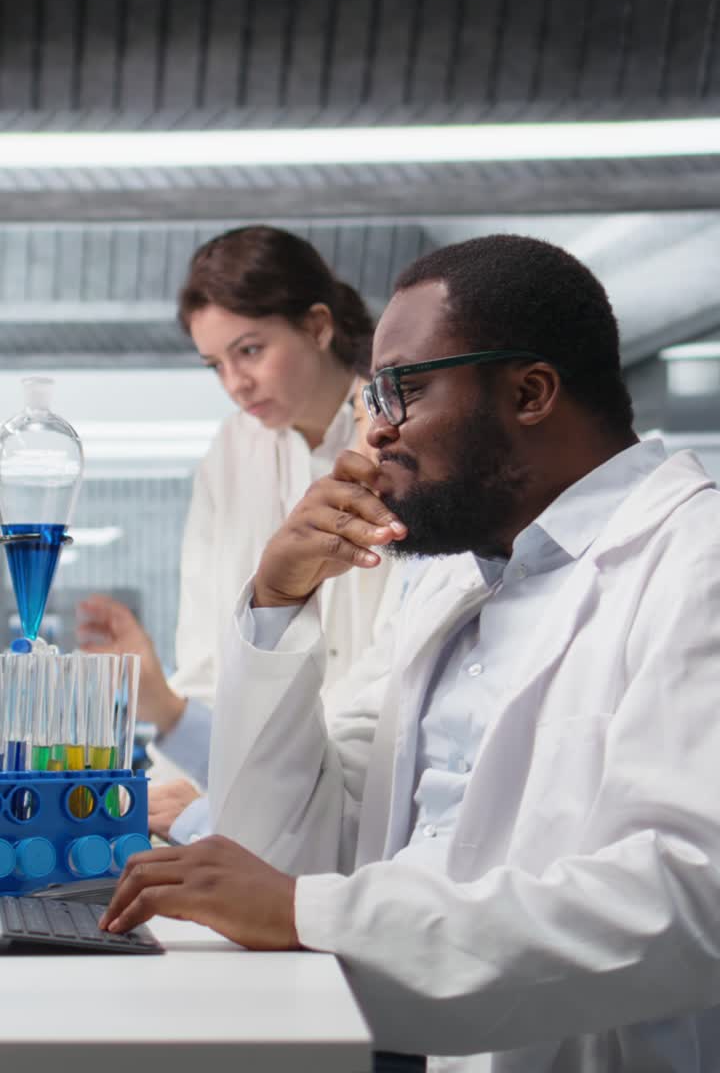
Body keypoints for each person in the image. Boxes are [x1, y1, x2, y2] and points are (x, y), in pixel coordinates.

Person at [101, 233, 720, 1073]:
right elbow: (293, 846)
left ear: (531, 391)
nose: (376, 433)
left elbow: (688, 898)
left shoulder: (694, 557)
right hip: (406, 1040)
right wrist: (278, 608)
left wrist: (310, 916)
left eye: (404, 392)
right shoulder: (450, 584)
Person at [76, 224, 400, 795]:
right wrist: (194, 785)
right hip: (259, 780)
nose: (236, 383)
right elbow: (209, 655)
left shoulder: (393, 437)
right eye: (215, 365)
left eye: (250, 350)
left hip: (373, 773)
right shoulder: (230, 452)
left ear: (318, 326)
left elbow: (391, 662)